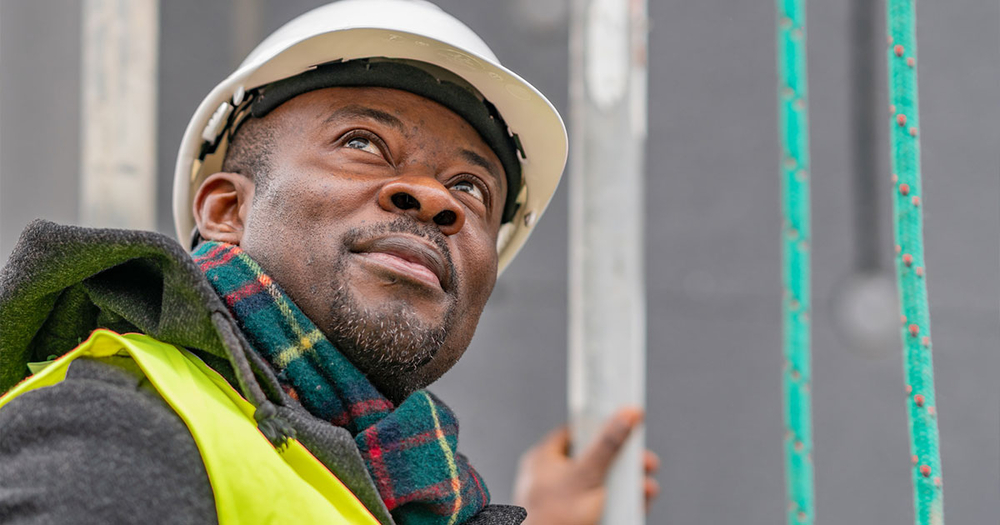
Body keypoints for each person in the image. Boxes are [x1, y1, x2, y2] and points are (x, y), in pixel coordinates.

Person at [0, 1, 657, 523]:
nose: (434, 198)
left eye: (471, 189)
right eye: (363, 142)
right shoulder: (120, 433)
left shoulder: (415, 493)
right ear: (226, 211)